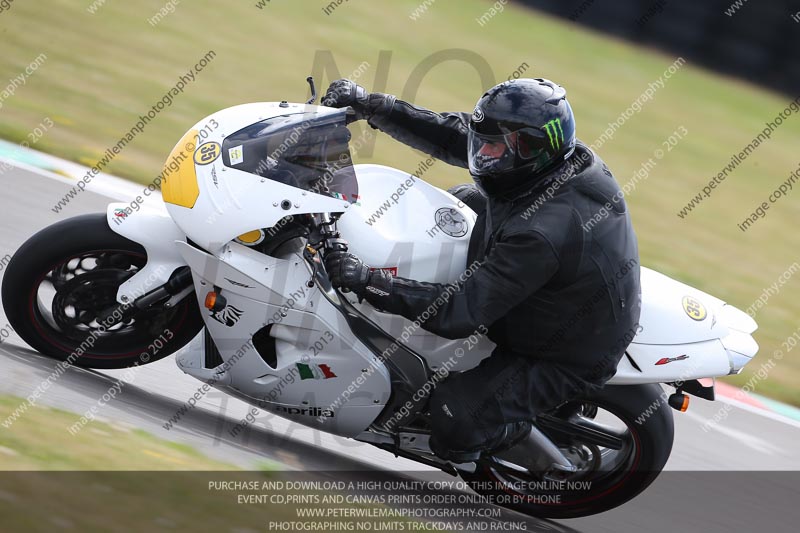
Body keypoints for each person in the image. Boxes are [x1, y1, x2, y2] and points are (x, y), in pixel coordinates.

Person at [320, 77, 641, 462]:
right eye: (484, 141)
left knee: (455, 418)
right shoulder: (554, 162)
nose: (484, 154)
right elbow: (458, 136)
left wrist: (368, 281)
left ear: (532, 150)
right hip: (555, 287)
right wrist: (376, 106)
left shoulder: (543, 232)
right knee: (461, 202)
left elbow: (461, 314)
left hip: (561, 351)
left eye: (495, 146)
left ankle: (518, 440)